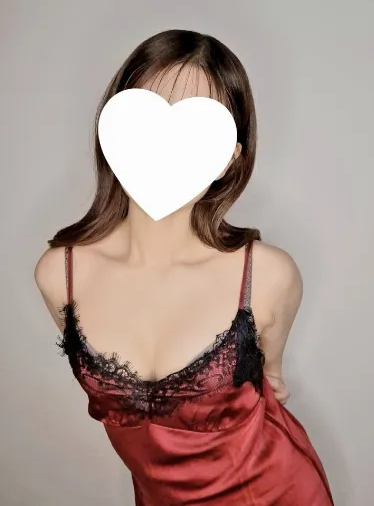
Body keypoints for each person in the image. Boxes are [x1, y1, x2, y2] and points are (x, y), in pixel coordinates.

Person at [35, 29, 334, 505]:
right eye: (147, 121)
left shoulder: (267, 277)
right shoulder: (59, 276)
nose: (165, 150)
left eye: (195, 134)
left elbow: (272, 383)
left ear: (229, 159)